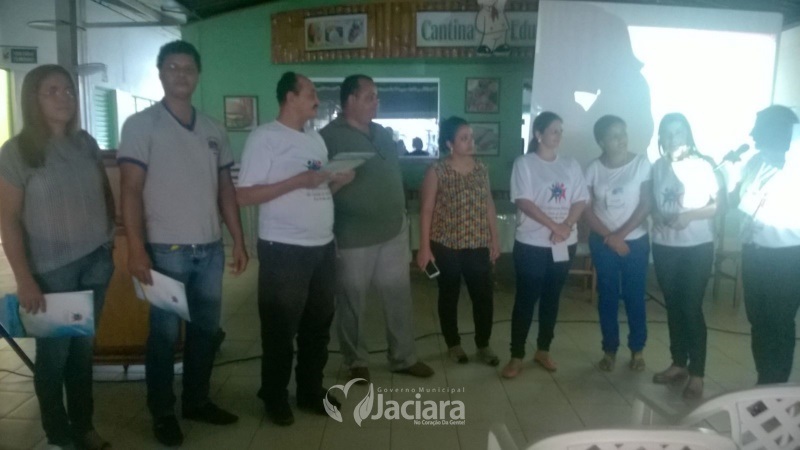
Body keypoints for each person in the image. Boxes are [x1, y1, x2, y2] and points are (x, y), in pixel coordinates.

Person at [118, 40, 248, 446]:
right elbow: (130, 190)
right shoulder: (141, 125)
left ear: (198, 75)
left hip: (209, 251)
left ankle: (196, 401)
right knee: (162, 337)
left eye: (188, 68)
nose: (181, 74)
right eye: (172, 67)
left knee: (205, 333)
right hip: (164, 252)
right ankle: (162, 412)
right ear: (160, 73)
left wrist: (238, 240)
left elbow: (225, 189)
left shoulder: (213, 129)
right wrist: (136, 248)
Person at [0, 64, 114, 449]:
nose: (64, 97)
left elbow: (103, 193)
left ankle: (84, 426)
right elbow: (8, 220)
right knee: (54, 357)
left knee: (82, 354)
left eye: (68, 90)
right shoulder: (17, 152)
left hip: (95, 263)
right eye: (52, 90)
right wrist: (25, 279)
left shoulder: (85, 143)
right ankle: (57, 432)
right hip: (52, 272)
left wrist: (108, 239)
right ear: (33, 98)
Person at [236, 72, 354, 426]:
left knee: (318, 325)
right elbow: (244, 196)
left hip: (321, 247)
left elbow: (317, 192)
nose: (317, 99)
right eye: (311, 92)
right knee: (280, 328)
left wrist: (338, 181)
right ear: (290, 98)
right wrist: (299, 180)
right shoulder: (265, 138)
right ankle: (274, 395)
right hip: (284, 249)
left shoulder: (315, 140)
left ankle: (309, 390)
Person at [319, 74, 434, 382]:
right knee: (352, 302)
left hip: (393, 230)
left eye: (377, 96)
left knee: (398, 298)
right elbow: (316, 188)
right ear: (350, 100)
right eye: (370, 96)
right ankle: (356, 361)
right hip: (353, 235)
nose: (376, 102)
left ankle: (403, 357)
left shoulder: (382, 132)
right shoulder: (327, 137)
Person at [502, 111, 589, 378]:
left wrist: (566, 226)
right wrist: (555, 226)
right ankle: (516, 355)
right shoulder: (525, 163)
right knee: (526, 299)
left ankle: (543, 350)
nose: (558, 135)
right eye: (554, 130)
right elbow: (523, 201)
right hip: (531, 244)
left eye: (561, 130)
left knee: (552, 297)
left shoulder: (571, 165)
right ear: (538, 134)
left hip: (563, 243)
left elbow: (580, 199)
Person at [417, 116, 501, 366]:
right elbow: (426, 210)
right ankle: (453, 343)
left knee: (483, 296)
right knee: (449, 294)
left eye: (471, 137)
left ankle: (483, 344)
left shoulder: (482, 169)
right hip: (446, 245)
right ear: (449, 143)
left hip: (477, 243)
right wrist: (424, 248)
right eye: (464, 138)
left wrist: (495, 239)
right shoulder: (437, 170)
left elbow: (488, 204)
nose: (470, 142)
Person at [650, 113, 718, 399]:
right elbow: (653, 202)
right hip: (664, 247)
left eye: (678, 132)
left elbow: (715, 206)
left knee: (691, 308)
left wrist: (689, 216)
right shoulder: (657, 166)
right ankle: (678, 363)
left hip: (696, 248)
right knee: (674, 307)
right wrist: (657, 215)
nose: (673, 138)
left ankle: (697, 373)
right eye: (667, 133)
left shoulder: (703, 166)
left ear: (688, 135)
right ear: (661, 138)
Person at [732, 105, 800, 385]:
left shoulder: (796, 167)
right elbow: (742, 201)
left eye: (758, 127)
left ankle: (777, 387)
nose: (751, 133)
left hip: (786, 258)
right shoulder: (754, 162)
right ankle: (764, 380)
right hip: (754, 253)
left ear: (777, 131)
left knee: (779, 321)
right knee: (758, 319)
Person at [583, 115, 652, 372]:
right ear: (602, 142)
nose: (622, 139)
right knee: (608, 296)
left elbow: (646, 204)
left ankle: (637, 350)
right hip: (603, 243)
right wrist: (610, 238)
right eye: (614, 136)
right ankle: (609, 349)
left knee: (635, 296)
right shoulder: (592, 168)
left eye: (623, 133)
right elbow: (586, 209)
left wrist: (620, 236)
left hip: (635, 242)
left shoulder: (641, 164)